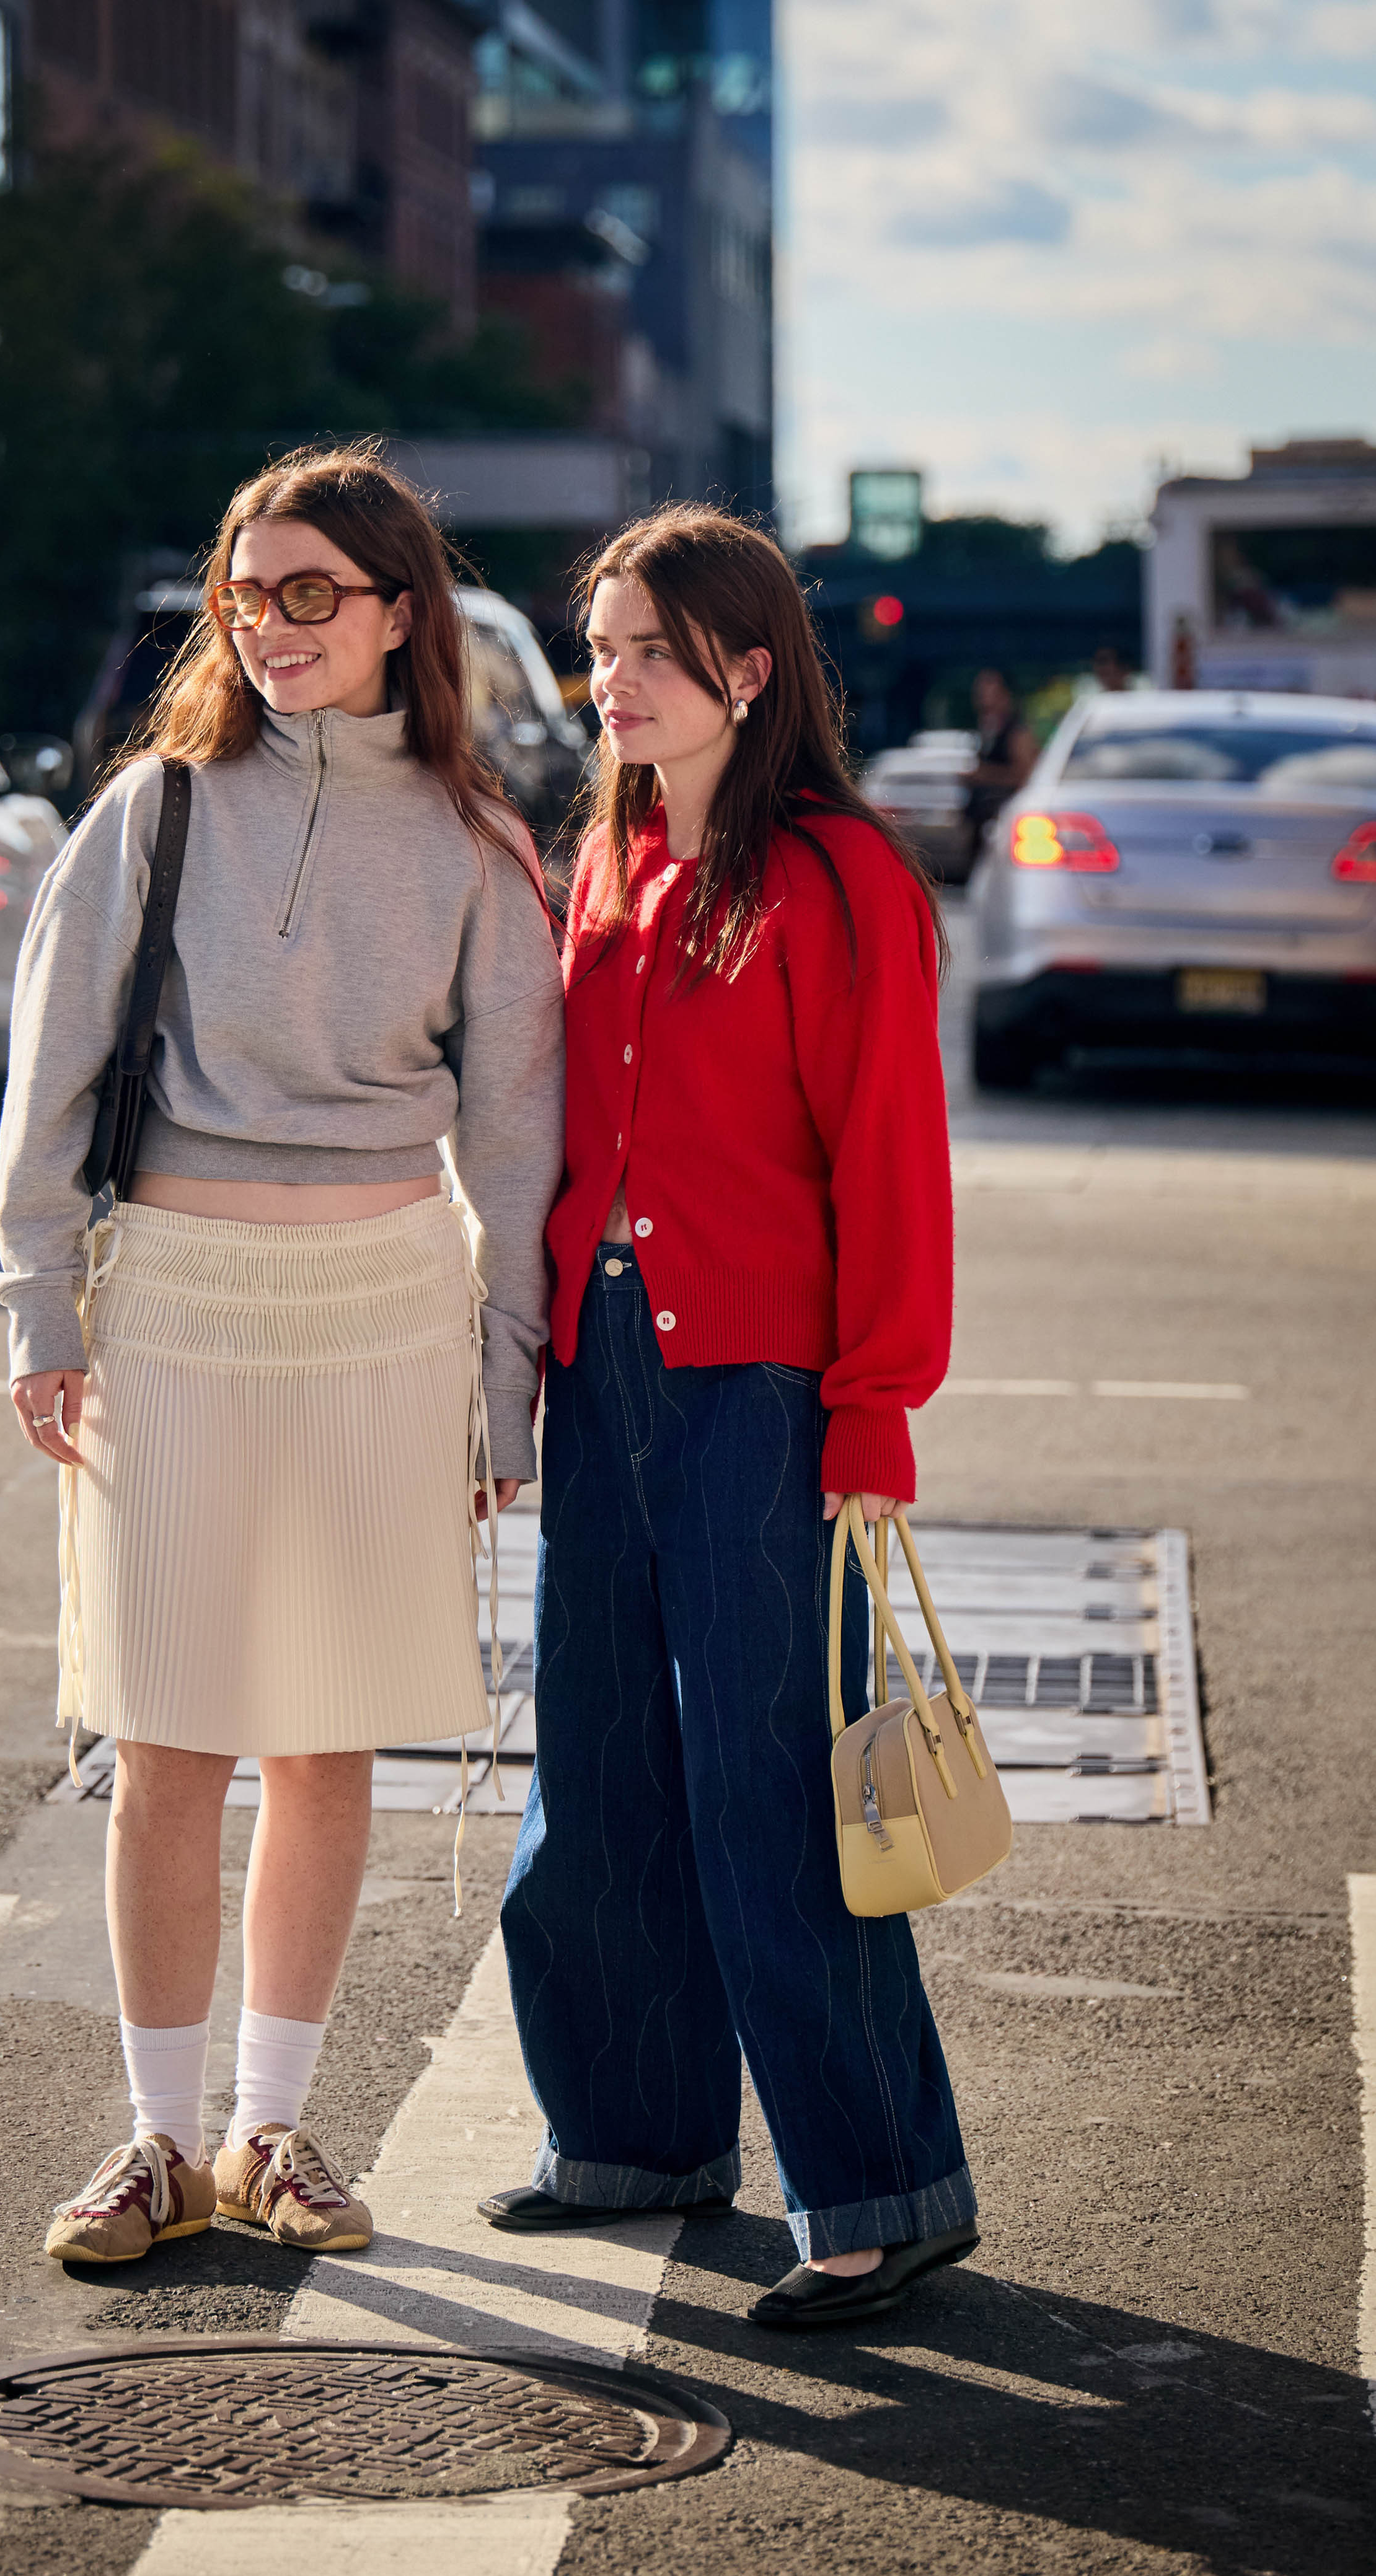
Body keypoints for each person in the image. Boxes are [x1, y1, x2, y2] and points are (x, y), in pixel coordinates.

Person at [0, 446, 564, 2269]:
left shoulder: (475, 845)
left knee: (322, 1743)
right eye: (246, 589)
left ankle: (264, 2128)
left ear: (401, 610)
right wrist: (41, 1308)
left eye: (308, 588)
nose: (268, 620)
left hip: (387, 1311)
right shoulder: (152, 813)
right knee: (165, 1737)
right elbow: (49, 1074)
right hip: (172, 1301)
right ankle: (152, 2141)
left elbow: (517, 1138)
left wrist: (503, 1376)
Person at [483, 505, 978, 2331]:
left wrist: (872, 1409)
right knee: (597, 1761)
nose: (603, 679)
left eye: (640, 650)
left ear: (742, 668)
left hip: (761, 1381)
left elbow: (890, 1169)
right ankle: (629, 2135)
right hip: (599, 1363)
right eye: (595, 646)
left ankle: (875, 2190)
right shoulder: (605, 860)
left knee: (771, 1789)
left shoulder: (838, 879)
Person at [963, 667, 1037, 853]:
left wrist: (984, 775)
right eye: (980, 694)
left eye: (991, 694)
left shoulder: (1017, 732)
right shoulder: (988, 730)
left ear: (1006, 696)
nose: (984, 700)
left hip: (1004, 825)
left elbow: (1025, 776)